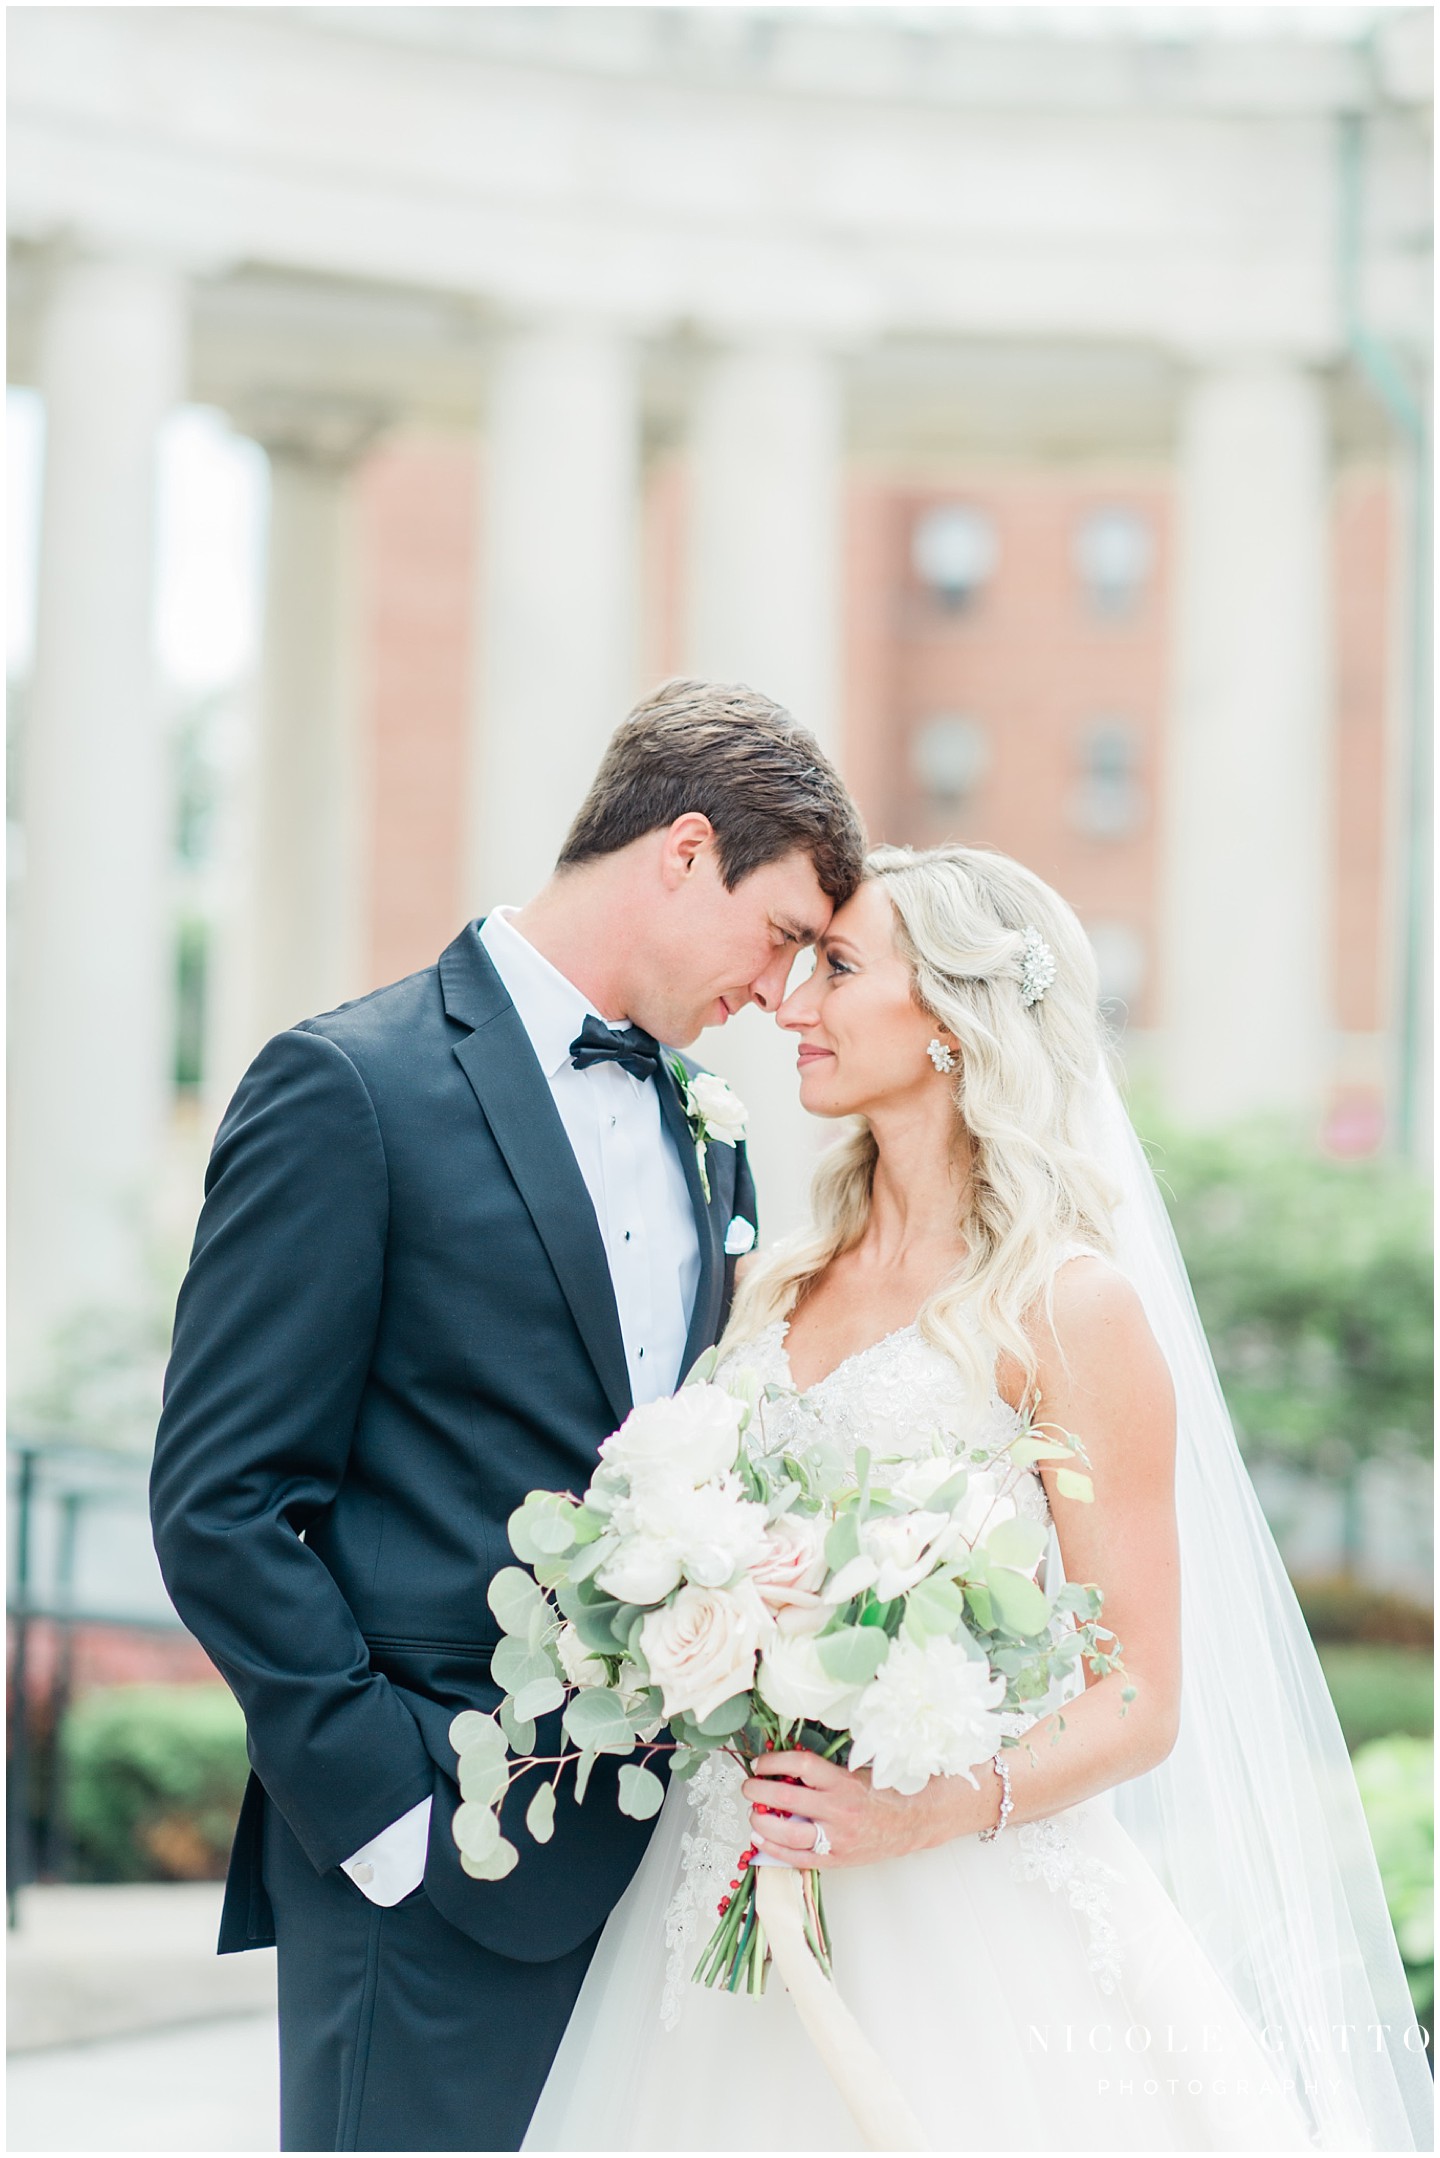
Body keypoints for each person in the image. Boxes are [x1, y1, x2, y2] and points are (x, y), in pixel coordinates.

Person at [524, 843, 1432, 2154]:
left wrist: (926, 1808)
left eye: (837, 966)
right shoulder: (779, 1282)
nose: (792, 1003)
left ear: (953, 1021)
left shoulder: (1069, 1309)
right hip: (726, 1878)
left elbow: (1141, 1696)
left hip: (964, 1913)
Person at [148, 679, 866, 2154]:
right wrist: (389, 1824)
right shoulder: (349, 1085)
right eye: (783, 932)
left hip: (658, 1884)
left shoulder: (706, 1130)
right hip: (425, 1871)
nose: (785, 990)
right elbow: (219, 1501)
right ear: (680, 851)